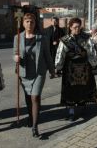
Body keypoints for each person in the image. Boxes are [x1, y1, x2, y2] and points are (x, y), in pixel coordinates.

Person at [13, 8, 55, 138]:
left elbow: (47, 55)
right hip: (24, 72)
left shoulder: (42, 38)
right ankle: (31, 117)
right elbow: (15, 52)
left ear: (35, 23)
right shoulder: (17, 37)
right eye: (27, 21)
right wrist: (15, 58)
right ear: (23, 23)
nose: (29, 24)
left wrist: (52, 70)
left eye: (31, 21)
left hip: (39, 72)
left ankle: (35, 126)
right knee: (28, 97)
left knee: (35, 97)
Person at [55, 18, 97, 121]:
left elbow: (91, 52)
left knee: (83, 89)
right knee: (70, 91)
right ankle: (71, 111)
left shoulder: (86, 38)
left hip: (84, 69)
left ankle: (81, 107)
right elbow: (60, 54)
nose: (77, 29)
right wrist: (58, 67)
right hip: (70, 69)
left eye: (79, 27)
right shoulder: (65, 40)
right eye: (75, 27)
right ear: (70, 27)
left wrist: (93, 64)